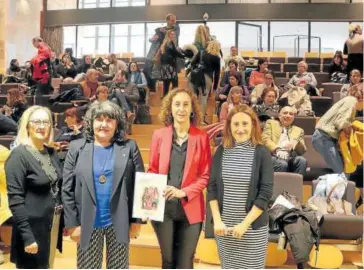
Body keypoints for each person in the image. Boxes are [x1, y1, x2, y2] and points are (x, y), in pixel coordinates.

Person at [62, 101, 144, 269]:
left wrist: (137, 221)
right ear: (91, 122)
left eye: (110, 120)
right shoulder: (76, 147)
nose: (104, 124)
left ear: (117, 124)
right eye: (99, 119)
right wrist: (71, 224)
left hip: (120, 221)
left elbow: (140, 185)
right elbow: (67, 188)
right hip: (86, 222)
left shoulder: (129, 147)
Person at [148, 88, 211, 269]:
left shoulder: (201, 137)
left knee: (185, 262)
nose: (181, 109)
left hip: (190, 210)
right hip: (163, 208)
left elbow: (205, 175)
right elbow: (152, 169)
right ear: (170, 108)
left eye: (185, 104)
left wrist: (183, 191)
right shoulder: (159, 135)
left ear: (192, 109)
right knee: (167, 261)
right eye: (177, 104)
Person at [206, 104, 273, 269]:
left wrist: (244, 225)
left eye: (245, 124)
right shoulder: (221, 151)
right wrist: (218, 221)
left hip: (252, 229)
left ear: (253, 126)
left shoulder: (262, 153)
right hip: (225, 228)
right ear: (229, 127)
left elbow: (265, 194)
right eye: (236, 124)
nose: (240, 129)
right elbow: (212, 188)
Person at [5, 106, 63, 269]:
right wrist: (27, 236)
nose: (42, 126)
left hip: (50, 224)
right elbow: (16, 201)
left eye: (46, 122)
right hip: (30, 228)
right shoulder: (19, 156)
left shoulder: (51, 152)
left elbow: (55, 187)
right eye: (36, 121)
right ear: (27, 125)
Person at [313, 83, 363, 174]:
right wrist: (350, 132)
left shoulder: (348, 100)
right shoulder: (352, 100)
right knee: (341, 173)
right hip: (324, 137)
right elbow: (341, 122)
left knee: (344, 171)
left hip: (326, 138)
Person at [262, 106, 307, 175]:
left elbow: (302, 151)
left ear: (293, 117)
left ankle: (296, 184)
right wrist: (276, 149)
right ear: (279, 116)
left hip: (289, 156)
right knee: (282, 164)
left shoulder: (299, 130)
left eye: (291, 114)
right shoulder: (271, 123)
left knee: (302, 161)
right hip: (273, 155)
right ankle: (278, 185)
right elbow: (265, 139)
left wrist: (295, 144)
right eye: (285, 113)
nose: (288, 115)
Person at [190, 40, 221, 124]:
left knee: (193, 97)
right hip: (206, 78)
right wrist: (214, 88)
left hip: (194, 76)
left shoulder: (200, 52)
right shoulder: (216, 58)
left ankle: (191, 116)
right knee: (203, 97)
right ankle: (201, 119)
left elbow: (192, 63)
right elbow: (217, 74)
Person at [156, 30, 185, 96]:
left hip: (164, 67)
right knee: (175, 85)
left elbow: (173, 52)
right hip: (169, 67)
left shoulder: (165, 43)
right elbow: (175, 53)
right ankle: (172, 98)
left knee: (166, 86)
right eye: (171, 34)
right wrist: (184, 56)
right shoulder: (170, 43)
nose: (173, 36)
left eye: (174, 34)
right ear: (168, 35)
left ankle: (165, 101)